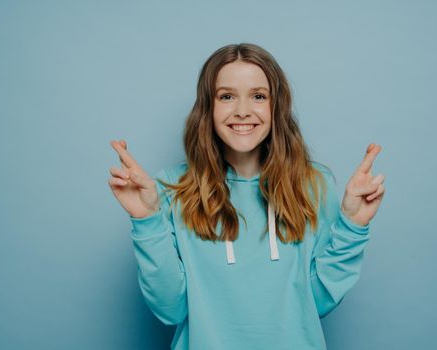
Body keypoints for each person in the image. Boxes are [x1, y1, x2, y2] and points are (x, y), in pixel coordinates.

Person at [108, 43, 385, 350]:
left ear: (275, 106)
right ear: (208, 108)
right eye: (226, 96)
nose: (242, 110)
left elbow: (315, 303)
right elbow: (170, 308)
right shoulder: (173, 187)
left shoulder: (313, 184)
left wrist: (353, 226)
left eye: (258, 96)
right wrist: (146, 220)